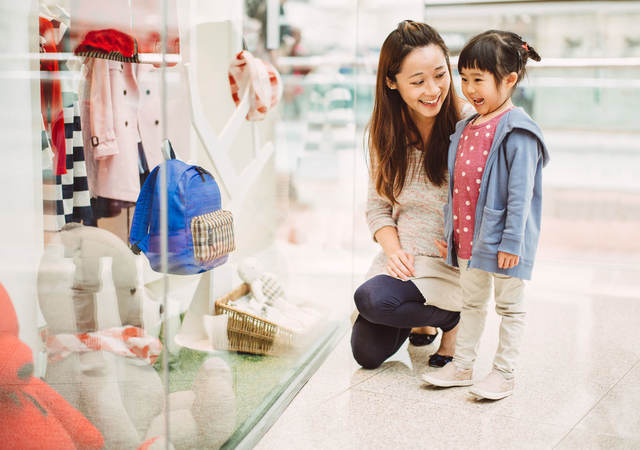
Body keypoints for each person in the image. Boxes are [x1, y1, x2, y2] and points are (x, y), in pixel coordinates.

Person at [422, 30, 549, 400]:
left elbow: (520, 194)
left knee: (509, 307)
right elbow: (457, 190)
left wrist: (512, 241)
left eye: (479, 79)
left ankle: (504, 373)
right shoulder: (465, 128)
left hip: (502, 241)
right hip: (469, 240)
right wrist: (452, 232)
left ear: (509, 80)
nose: (469, 89)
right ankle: (462, 366)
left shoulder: (518, 131)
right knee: (472, 303)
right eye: (464, 79)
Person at [351, 20, 473, 370]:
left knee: (370, 298)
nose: (433, 90)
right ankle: (422, 316)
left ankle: (451, 318)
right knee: (366, 353)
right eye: (418, 82)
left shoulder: (469, 125)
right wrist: (394, 251)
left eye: (440, 75)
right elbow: (377, 207)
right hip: (405, 262)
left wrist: (459, 243)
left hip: (448, 263)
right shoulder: (384, 131)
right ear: (392, 82)